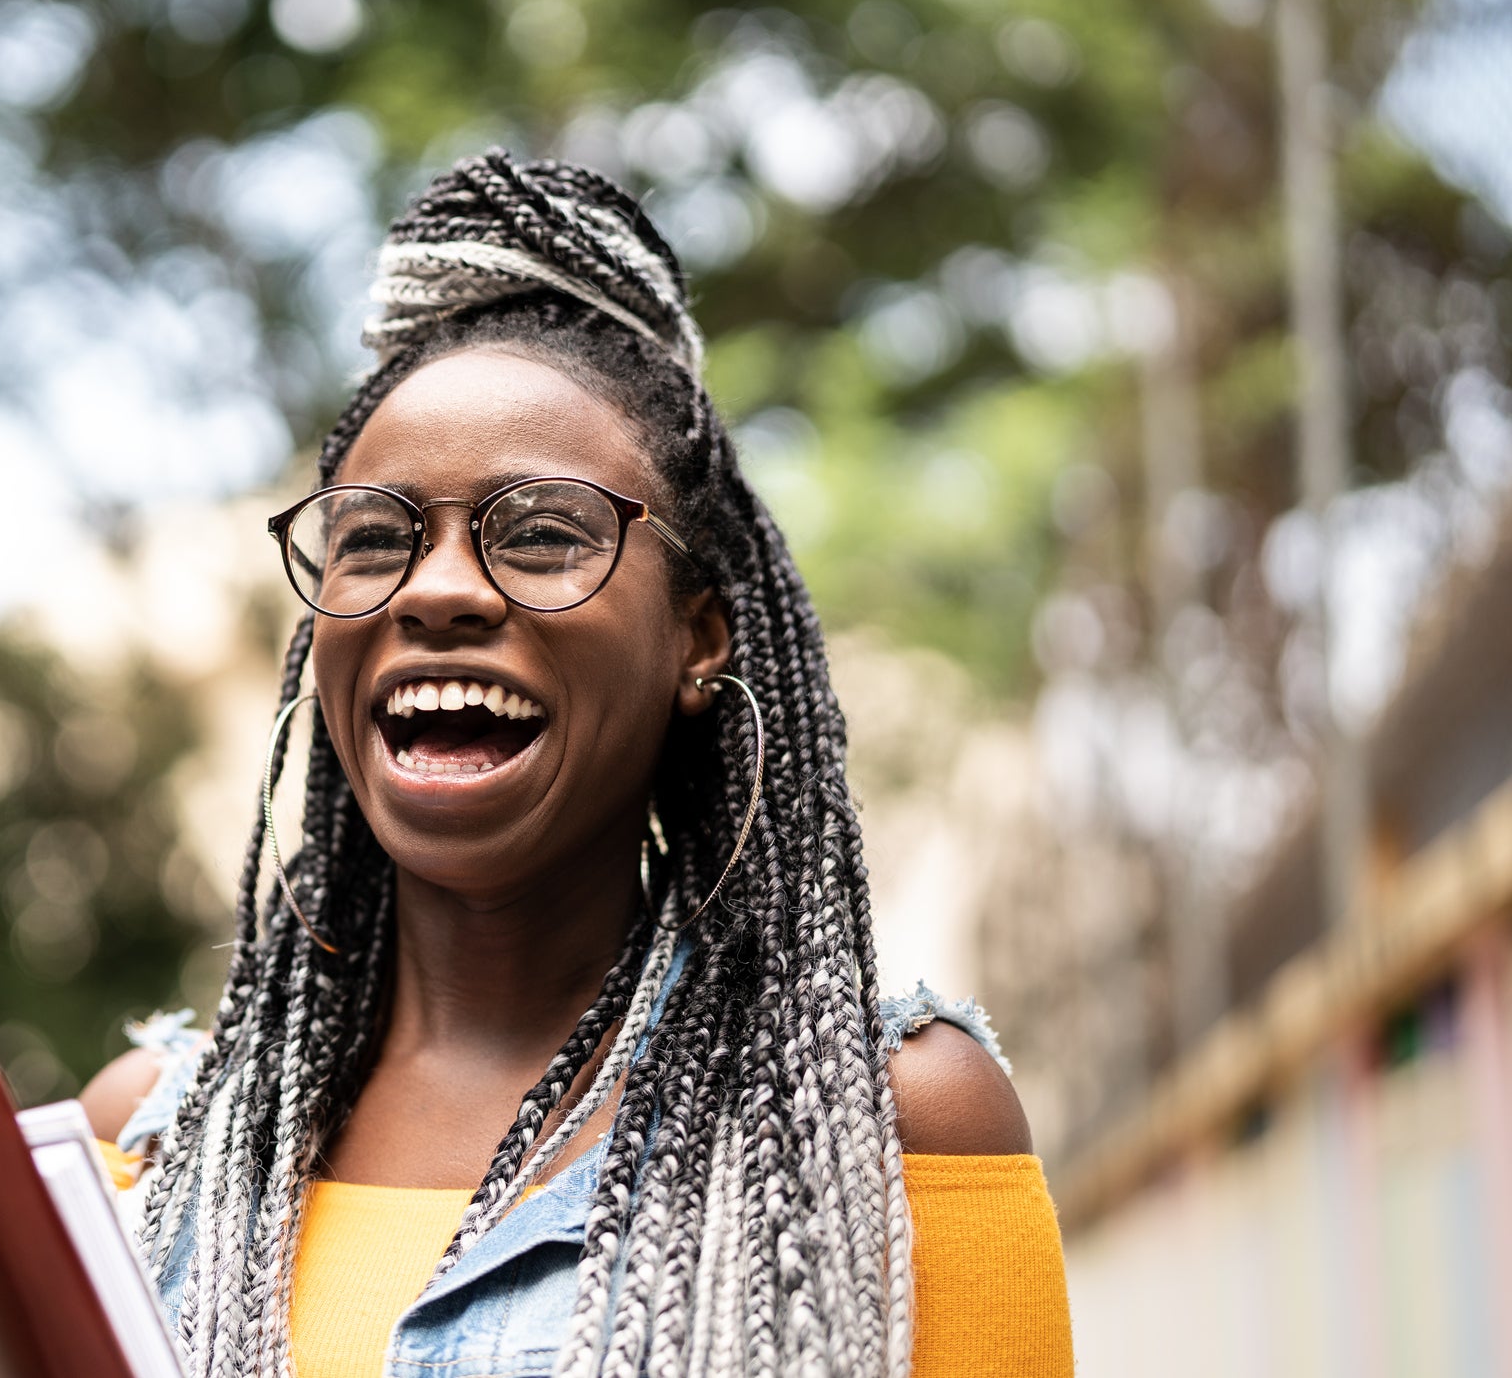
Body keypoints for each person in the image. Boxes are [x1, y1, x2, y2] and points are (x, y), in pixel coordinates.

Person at [82, 152, 1073, 1378]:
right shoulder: (140, 1138)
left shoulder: (898, 1122)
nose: (435, 587)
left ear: (697, 638)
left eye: (542, 531)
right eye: (375, 536)